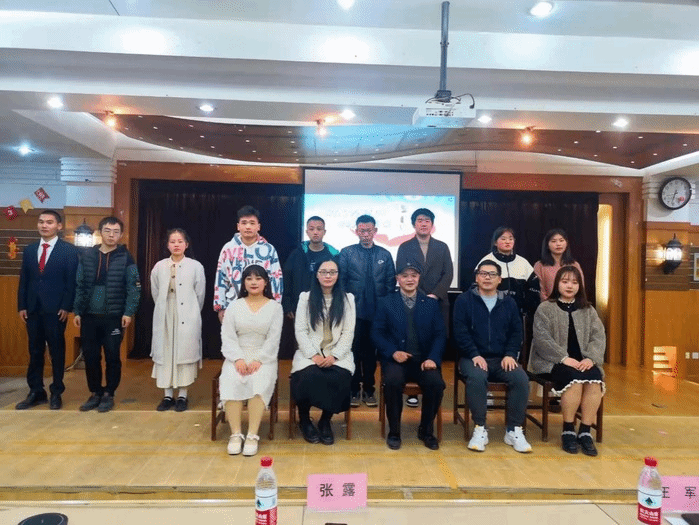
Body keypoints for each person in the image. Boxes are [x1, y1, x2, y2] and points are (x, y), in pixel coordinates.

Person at [453, 260, 531, 453]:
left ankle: (513, 430)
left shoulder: (508, 302)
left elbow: (516, 333)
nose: (487, 277)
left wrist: (510, 354)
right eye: (483, 273)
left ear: (499, 279)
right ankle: (480, 428)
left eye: (492, 274)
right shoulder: (464, 300)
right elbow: (460, 332)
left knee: (520, 378)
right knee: (477, 377)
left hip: (502, 358)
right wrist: (474, 354)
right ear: (477, 277)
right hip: (472, 358)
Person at [529, 265, 605, 456]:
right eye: (565, 281)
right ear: (557, 284)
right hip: (552, 362)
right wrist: (563, 358)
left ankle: (585, 431)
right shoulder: (545, 308)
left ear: (580, 286)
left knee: (595, 379)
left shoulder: (588, 310)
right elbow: (542, 339)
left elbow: (598, 336)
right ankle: (568, 429)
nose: (569, 286)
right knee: (574, 379)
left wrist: (591, 358)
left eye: (574, 282)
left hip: (583, 361)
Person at [372, 261, 446, 451]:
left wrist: (433, 358)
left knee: (436, 383)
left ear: (419, 278)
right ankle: (394, 432)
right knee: (392, 382)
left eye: (413, 275)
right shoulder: (386, 302)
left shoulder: (430, 304)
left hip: (424, 361)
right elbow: (377, 333)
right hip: (396, 360)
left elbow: (440, 334)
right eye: (405, 276)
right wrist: (392, 352)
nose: (409, 279)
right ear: (398, 279)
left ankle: (426, 430)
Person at [73, 216, 141, 413]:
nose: (112, 235)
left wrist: (129, 312)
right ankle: (95, 392)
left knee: (112, 356)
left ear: (121, 234)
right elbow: (79, 284)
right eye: (108, 231)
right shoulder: (87, 255)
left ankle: (109, 393)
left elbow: (134, 287)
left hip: (114, 316)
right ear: (100, 232)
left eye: (116, 232)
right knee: (91, 356)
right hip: (89, 315)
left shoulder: (126, 257)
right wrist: (77, 311)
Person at [16, 210, 79, 410]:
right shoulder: (29, 250)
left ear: (59, 226)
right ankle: (36, 391)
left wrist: (66, 306)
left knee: (56, 351)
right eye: (41, 222)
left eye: (49, 222)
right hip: (32, 309)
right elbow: (24, 280)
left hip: (56, 310)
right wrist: (22, 305)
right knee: (35, 351)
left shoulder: (68, 251)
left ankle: (56, 391)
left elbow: (71, 281)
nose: (44, 225)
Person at [219, 264, 283, 456]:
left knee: (258, 380)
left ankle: (252, 435)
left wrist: (259, 359)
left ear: (266, 282)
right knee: (232, 379)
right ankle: (236, 434)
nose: (253, 282)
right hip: (237, 355)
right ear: (244, 283)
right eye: (249, 279)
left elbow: (273, 339)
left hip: (264, 358)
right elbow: (228, 336)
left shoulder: (275, 308)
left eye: (258, 278)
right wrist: (237, 359)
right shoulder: (234, 306)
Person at [291, 259, 355, 445]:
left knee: (339, 377)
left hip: (337, 354)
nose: (328, 276)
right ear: (317, 275)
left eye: (333, 272)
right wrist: (314, 355)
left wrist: (334, 356)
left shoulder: (347, 299)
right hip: (310, 353)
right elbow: (300, 330)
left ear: (338, 275)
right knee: (307, 376)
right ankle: (304, 420)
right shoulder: (306, 298)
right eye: (324, 272)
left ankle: (325, 421)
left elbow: (348, 332)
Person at [396, 207, 453, 408]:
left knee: (435, 342)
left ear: (432, 224)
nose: (423, 223)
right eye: (419, 220)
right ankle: (412, 393)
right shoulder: (405, 247)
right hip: (412, 301)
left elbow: (448, 274)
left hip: (438, 302)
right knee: (413, 341)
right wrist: (420, 296)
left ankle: (432, 387)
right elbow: (403, 273)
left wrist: (434, 295)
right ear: (414, 224)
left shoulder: (442, 246)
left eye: (427, 220)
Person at [338, 214, 396, 408]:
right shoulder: (347, 253)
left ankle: (369, 390)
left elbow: (390, 284)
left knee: (372, 355)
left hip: (377, 314)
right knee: (353, 352)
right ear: (356, 231)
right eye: (362, 231)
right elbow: (341, 282)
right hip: (353, 313)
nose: (365, 234)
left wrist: (387, 310)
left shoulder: (384, 255)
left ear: (375, 231)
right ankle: (354, 389)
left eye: (369, 231)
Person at [149, 228, 206, 412]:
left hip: (188, 313)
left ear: (186, 245)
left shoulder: (196, 266)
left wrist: (192, 311)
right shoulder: (159, 266)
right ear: (167, 245)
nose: (176, 245)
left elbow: (200, 294)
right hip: (165, 313)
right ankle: (167, 395)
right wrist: (165, 306)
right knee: (166, 352)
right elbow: (155, 291)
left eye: (180, 241)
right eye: (172, 241)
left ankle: (182, 395)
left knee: (184, 354)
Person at [213, 205, 283, 323]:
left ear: (258, 226)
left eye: (252, 223)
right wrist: (220, 307)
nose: (248, 226)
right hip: (233, 305)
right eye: (244, 223)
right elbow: (221, 278)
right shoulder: (228, 248)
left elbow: (276, 279)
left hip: (263, 307)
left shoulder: (269, 249)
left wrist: (275, 306)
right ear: (238, 226)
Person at [282, 215, 339, 319]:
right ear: (307, 232)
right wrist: (287, 305)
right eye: (311, 229)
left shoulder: (333, 255)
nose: (315, 232)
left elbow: (339, 282)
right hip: (300, 306)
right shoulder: (297, 254)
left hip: (326, 307)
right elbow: (287, 280)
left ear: (324, 232)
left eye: (319, 229)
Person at [477, 226, 540, 318]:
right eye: (503, 239)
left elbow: (534, 288)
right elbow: (476, 288)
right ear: (495, 242)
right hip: (491, 314)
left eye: (511, 239)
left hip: (518, 315)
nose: (507, 242)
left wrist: (526, 307)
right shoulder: (486, 262)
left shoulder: (523, 262)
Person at [533, 228, 584, 301]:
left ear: (566, 243)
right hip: (548, 305)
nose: (558, 244)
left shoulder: (574, 265)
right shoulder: (540, 265)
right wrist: (551, 305)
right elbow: (540, 291)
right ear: (547, 245)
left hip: (572, 304)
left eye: (561, 240)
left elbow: (581, 288)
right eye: (553, 241)